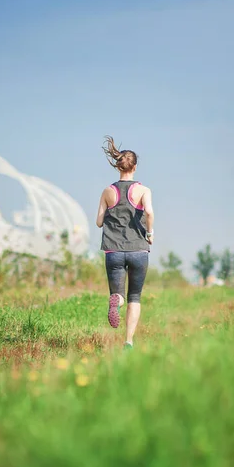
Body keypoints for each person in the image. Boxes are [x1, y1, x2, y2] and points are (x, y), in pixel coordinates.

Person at [96, 136, 154, 349]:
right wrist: (150, 232)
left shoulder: (107, 191)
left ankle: (116, 301)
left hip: (113, 251)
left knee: (118, 294)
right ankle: (128, 341)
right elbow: (148, 211)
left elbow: (99, 221)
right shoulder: (143, 190)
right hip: (138, 249)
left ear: (118, 166)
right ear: (135, 167)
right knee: (135, 296)